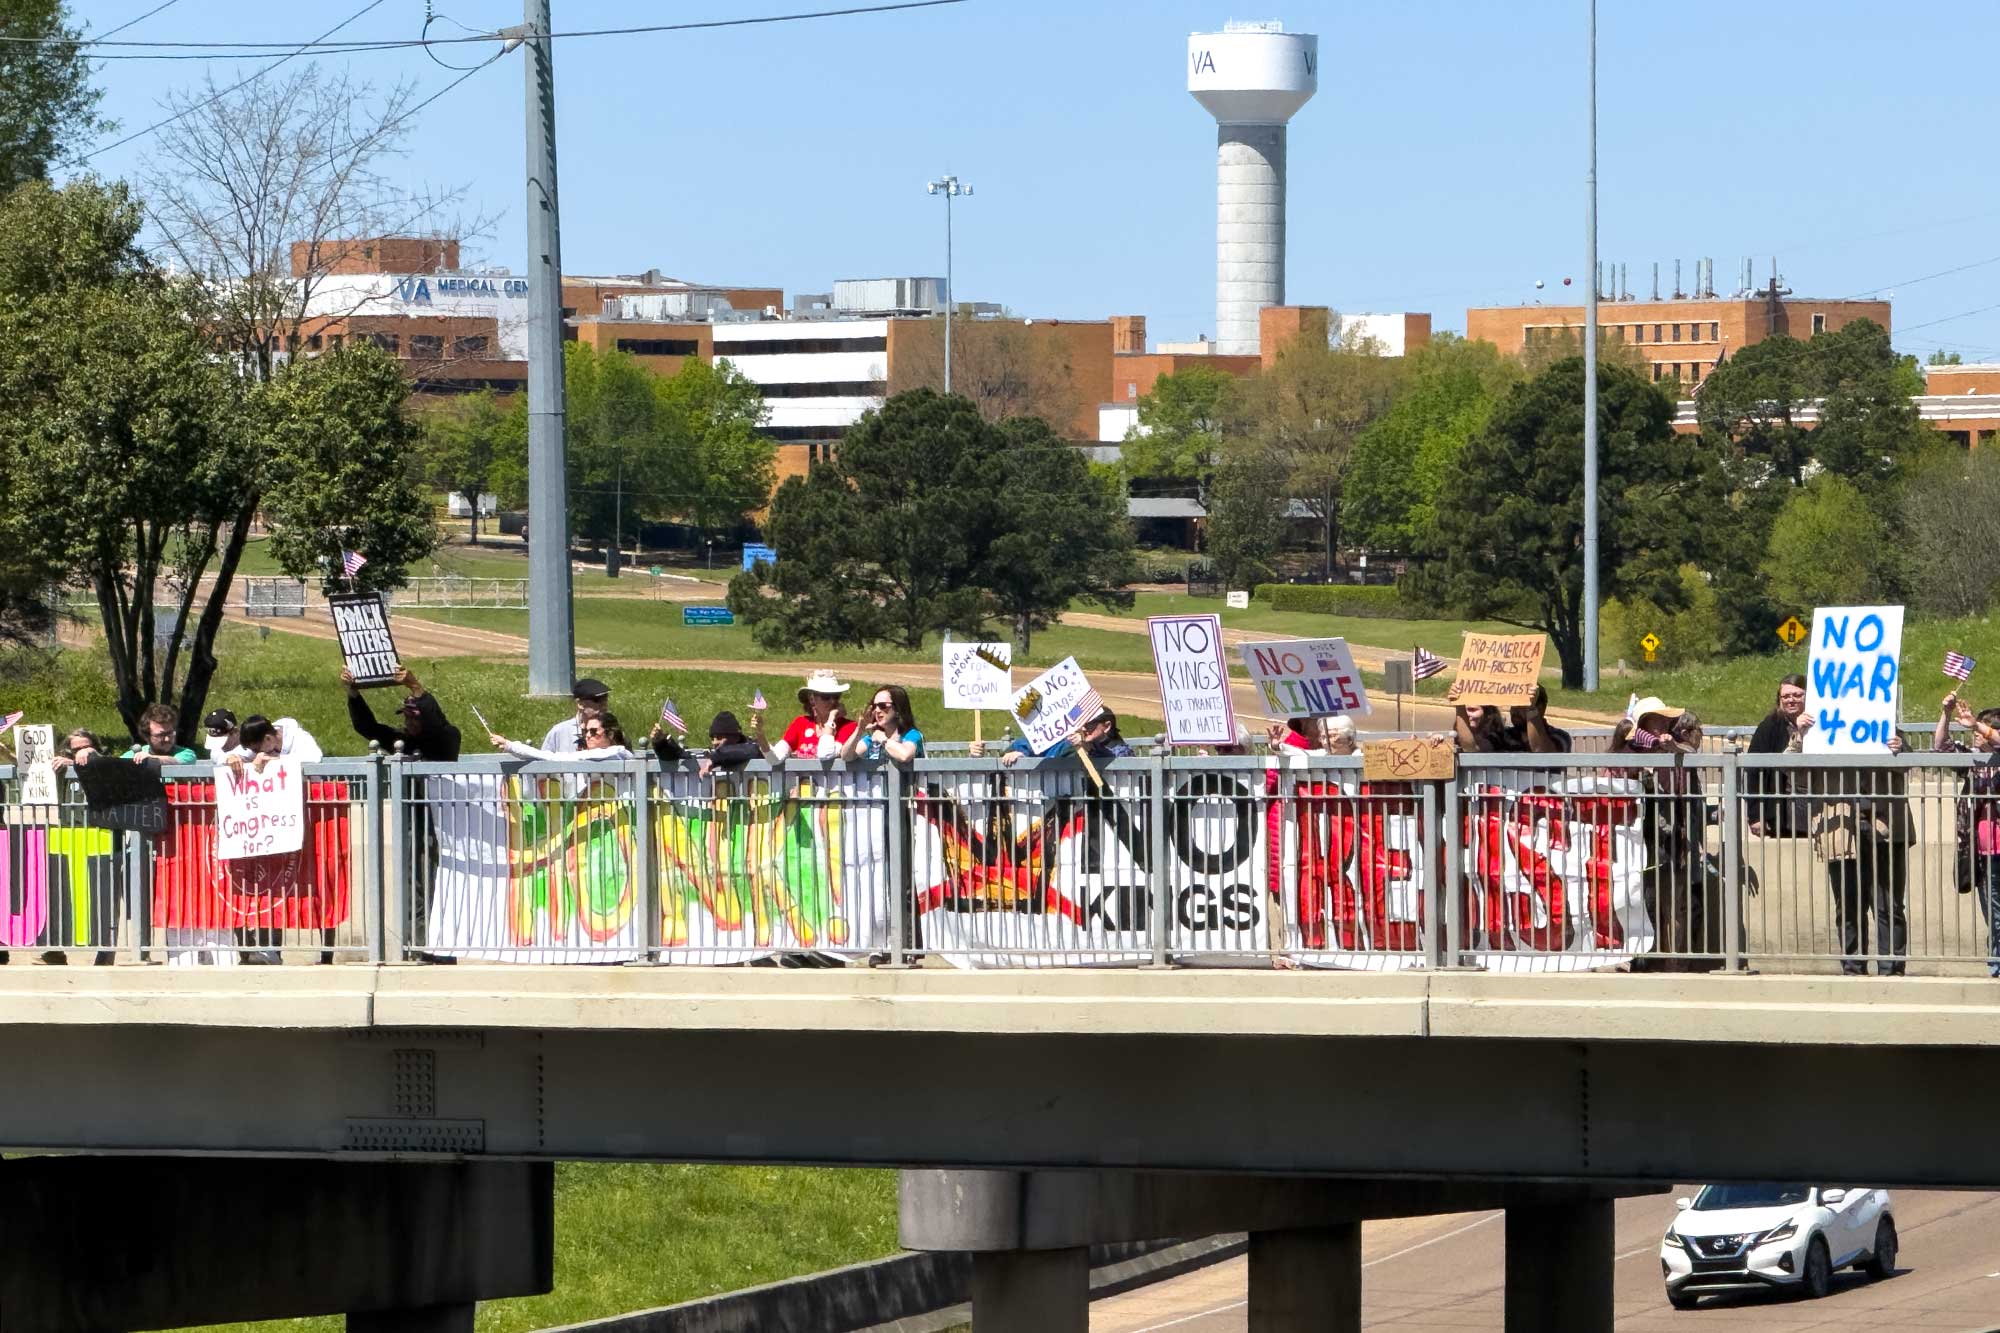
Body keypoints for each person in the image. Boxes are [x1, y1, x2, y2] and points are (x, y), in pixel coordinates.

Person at [1806, 727, 1910, 977]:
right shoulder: (1821, 731)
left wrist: (1900, 749)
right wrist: (1801, 736)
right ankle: (1853, 967)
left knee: (1888, 905)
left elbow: (1907, 765)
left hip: (1885, 827)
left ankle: (1891, 969)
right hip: (1841, 829)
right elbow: (1794, 772)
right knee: (1848, 904)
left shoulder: (1890, 730)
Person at [1935, 692, 2000, 979]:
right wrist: (1946, 714)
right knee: (1992, 909)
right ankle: (1995, 961)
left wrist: (1976, 724)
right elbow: (1941, 748)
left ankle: (1996, 962)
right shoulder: (1975, 762)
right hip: (1980, 849)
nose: (1975, 734)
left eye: (1984, 729)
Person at [344, 667, 461, 761]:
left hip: (439, 789)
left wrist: (415, 686)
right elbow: (366, 727)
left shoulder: (448, 736)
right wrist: (353, 692)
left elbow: (435, 723)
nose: (409, 723)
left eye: (415, 718)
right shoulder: (402, 740)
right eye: (407, 717)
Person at [1747, 674, 1811, 836]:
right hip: (1782, 810)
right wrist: (1755, 816)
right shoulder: (1769, 726)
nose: (1791, 700)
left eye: (1797, 695)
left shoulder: (1822, 722)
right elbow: (1753, 771)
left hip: (1816, 803)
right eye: (1786, 696)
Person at [760, 670, 857, 760]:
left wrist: (831, 718)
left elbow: (825, 754)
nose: (832, 701)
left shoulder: (849, 727)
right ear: (812, 699)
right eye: (825, 697)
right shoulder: (801, 723)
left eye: (836, 696)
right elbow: (775, 758)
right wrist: (760, 734)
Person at [492, 711, 632, 762]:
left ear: (611, 734)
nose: (588, 736)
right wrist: (510, 747)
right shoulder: (595, 755)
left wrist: (510, 745)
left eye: (594, 731)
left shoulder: (617, 753)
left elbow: (554, 758)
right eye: (586, 732)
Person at [841, 685, 924, 761]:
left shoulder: (912, 735)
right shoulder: (871, 738)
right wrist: (859, 730)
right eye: (874, 706)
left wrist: (882, 739)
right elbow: (846, 756)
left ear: (898, 709)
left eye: (882, 706)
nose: (877, 710)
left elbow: (905, 756)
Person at [540, 678, 612, 754]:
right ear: (580, 704)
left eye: (605, 699)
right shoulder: (559, 732)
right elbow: (542, 763)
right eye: (597, 700)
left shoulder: (611, 730)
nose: (604, 705)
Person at [1505, 686, 1572, 753]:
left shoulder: (1560, 737)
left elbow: (1542, 753)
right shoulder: (1504, 736)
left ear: (1540, 709)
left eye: (1522, 705)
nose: (1515, 709)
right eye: (1513, 704)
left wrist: (1531, 710)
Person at [122, 704, 196, 764]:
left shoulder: (187, 755)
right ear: (146, 736)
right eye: (161, 735)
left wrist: (151, 759)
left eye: (170, 733)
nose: (167, 739)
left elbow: (175, 762)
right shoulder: (132, 756)